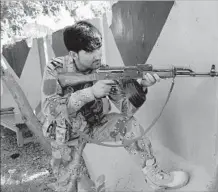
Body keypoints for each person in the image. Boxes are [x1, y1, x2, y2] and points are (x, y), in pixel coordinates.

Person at [40, 20, 189, 192]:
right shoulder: (55, 68)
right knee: (66, 185)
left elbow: (126, 110)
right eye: (89, 51)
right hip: (65, 134)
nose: (97, 55)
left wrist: (140, 88)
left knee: (128, 125)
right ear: (74, 54)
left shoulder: (104, 70)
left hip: (96, 126)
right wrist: (91, 93)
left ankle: (155, 177)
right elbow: (50, 109)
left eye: (98, 48)